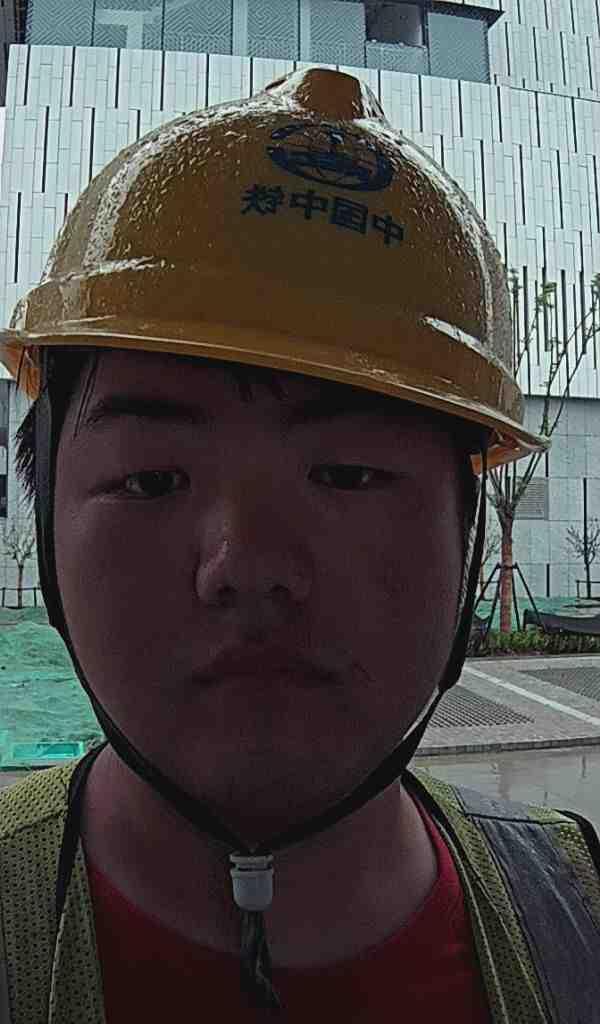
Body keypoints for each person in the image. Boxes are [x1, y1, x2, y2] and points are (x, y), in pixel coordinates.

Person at [0, 67, 599, 1024]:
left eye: (349, 476)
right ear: (46, 521)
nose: (246, 569)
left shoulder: (577, 914)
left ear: (469, 534)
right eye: (153, 481)